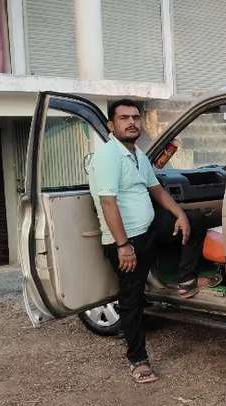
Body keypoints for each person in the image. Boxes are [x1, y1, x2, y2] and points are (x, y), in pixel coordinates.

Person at [88, 99, 202, 384]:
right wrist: (123, 246)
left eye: (136, 117)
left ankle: (184, 279)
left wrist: (179, 214)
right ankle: (138, 360)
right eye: (124, 118)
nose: (132, 122)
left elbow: (156, 189)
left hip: (149, 230)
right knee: (132, 300)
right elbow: (108, 203)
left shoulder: (137, 153)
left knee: (193, 221)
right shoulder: (108, 156)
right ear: (111, 125)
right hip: (128, 240)